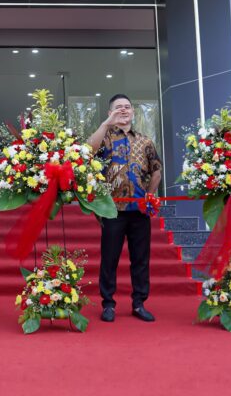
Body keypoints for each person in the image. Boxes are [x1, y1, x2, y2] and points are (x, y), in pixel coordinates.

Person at [87, 94, 162, 323]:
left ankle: (139, 303)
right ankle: (108, 304)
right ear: (110, 112)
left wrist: (149, 195)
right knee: (109, 259)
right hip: (112, 210)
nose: (123, 110)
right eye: (118, 107)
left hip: (139, 211)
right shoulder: (105, 137)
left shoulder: (145, 140)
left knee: (140, 259)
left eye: (127, 107)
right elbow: (88, 150)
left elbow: (156, 170)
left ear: (133, 112)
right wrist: (105, 123)